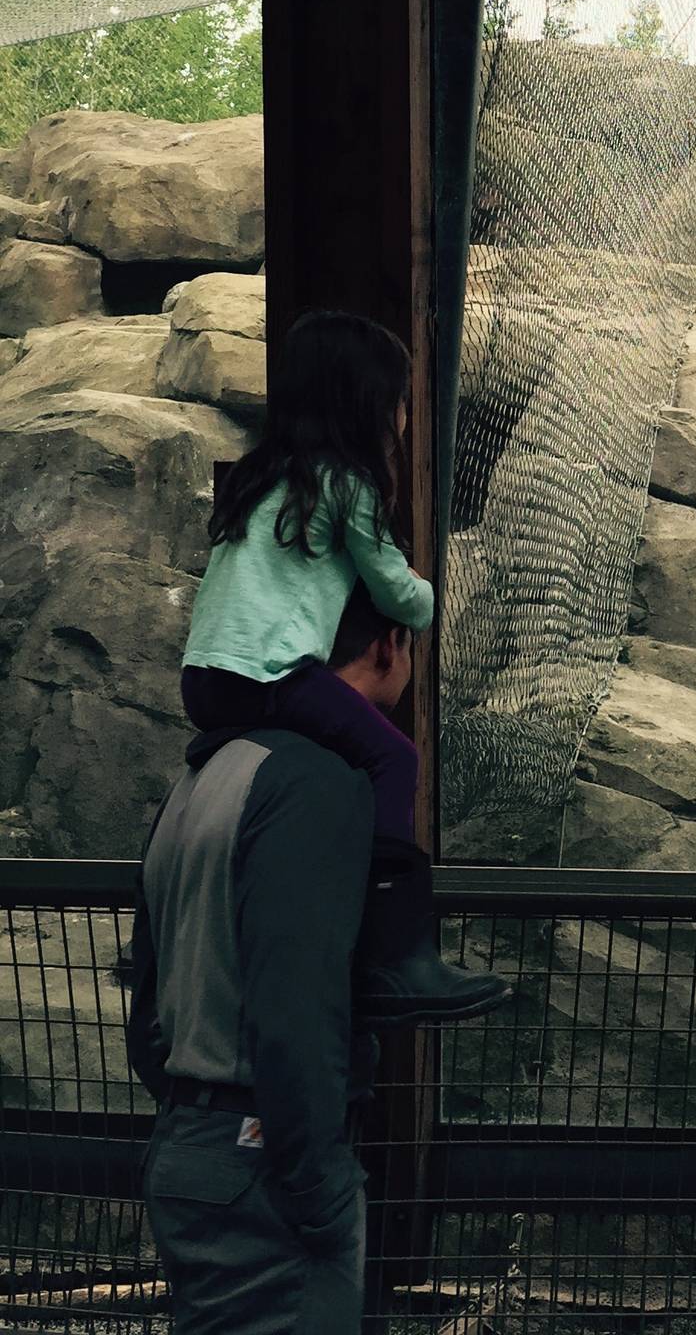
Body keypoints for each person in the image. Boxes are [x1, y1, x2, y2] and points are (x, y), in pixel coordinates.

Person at [127, 586, 509, 1333]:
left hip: (192, 1143)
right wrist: (315, 1181)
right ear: (388, 646)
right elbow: (295, 1000)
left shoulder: (202, 775)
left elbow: (145, 992)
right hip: (264, 1160)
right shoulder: (318, 783)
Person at [179, 307, 505, 1018]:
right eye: (398, 401)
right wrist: (425, 588)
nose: (403, 417)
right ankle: (390, 953)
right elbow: (403, 596)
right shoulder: (347, 487)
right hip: (268, 676)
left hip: (205, 679)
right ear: (370, 405)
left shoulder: (259, 481)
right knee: (394, 761)